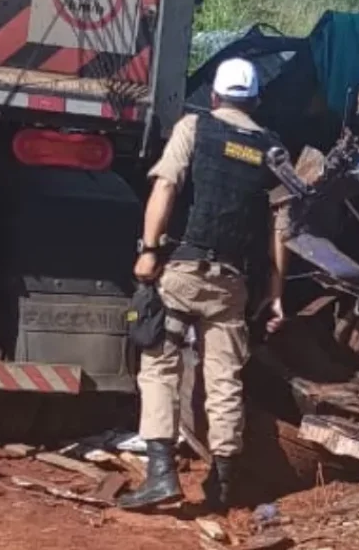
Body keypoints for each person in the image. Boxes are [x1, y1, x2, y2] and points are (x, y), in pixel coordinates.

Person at [119, 57, 289, 513]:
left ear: (213, 96)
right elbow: (281, 227)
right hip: (232, 282)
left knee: (160, 365)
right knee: (224, 378)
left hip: (184, 273)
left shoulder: (195, 127)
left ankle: (161, 474)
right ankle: (224, 484)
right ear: (255, 102)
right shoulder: (272, 149)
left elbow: (166, 187)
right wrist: (276, 293)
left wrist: (149, 250)